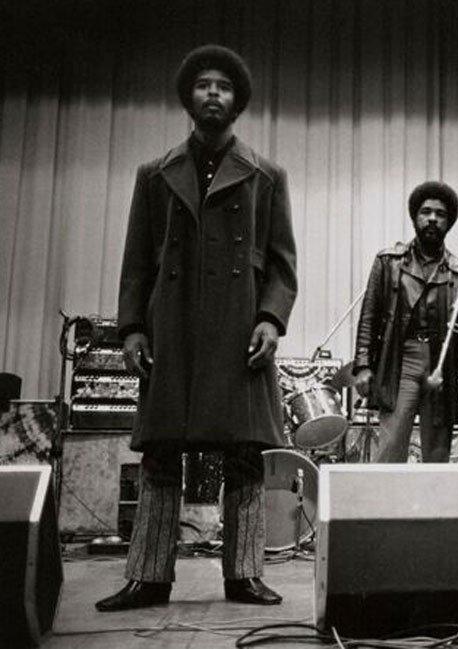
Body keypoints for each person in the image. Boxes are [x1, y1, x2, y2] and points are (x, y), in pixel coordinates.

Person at [96, 45, 297, 611]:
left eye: (224, 87)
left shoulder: (266, 176)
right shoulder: (155, 175)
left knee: (244, 455)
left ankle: (245, 575)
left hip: (240, 332)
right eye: (204, 85)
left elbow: (282, 265)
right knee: (161, 452)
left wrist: (270, 319)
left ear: (237, 102)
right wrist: (132, 329)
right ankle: (149, 577)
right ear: (190, 98)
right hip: (173, 327)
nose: (213, 93)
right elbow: (136, 261)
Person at [353, 181, 458, 463]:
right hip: (400, 359)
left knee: (437, 454)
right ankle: (385, 508)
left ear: (449, 223)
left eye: (440, 214)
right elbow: (369, 316)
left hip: (441, 364)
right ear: (415, 217)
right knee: (390, 446)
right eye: (426, 211)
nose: (432, 218)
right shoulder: (388, 261)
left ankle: (432, 508)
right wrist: (362, 365)